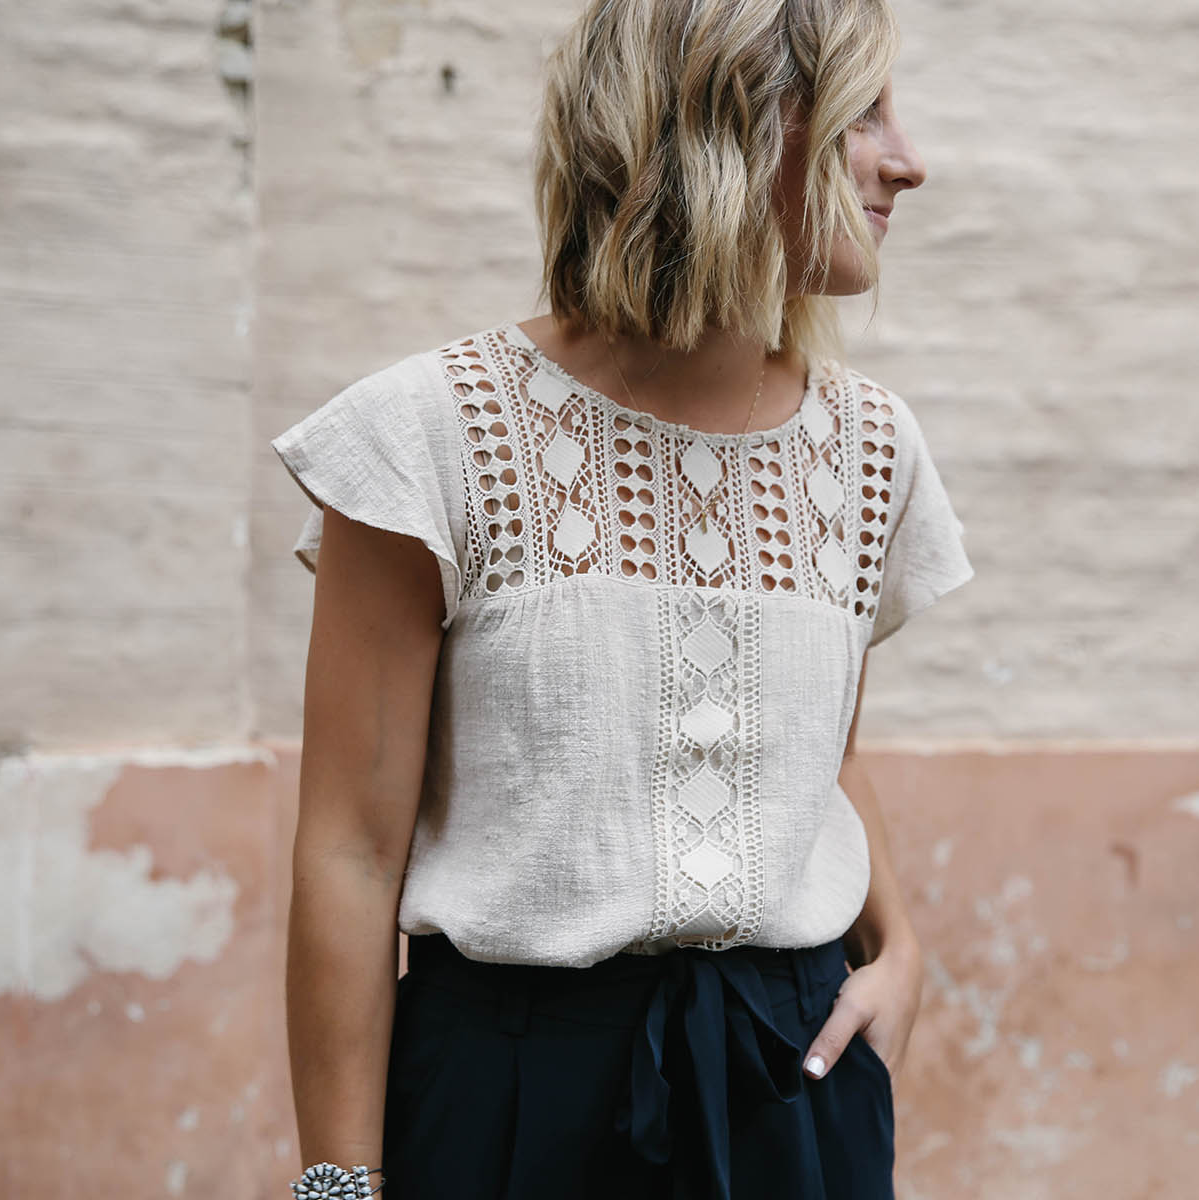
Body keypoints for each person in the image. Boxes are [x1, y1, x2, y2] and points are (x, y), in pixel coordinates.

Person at [270, 0, 972, 1196]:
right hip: (510, 1095)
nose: (909, 159)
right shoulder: (431, 436)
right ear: (727, 123)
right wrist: (335, 1190)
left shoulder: (870, 450)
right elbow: (347, 850)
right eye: (864, 114)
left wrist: (901, 953)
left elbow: (818, 756)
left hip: (790, 1086)